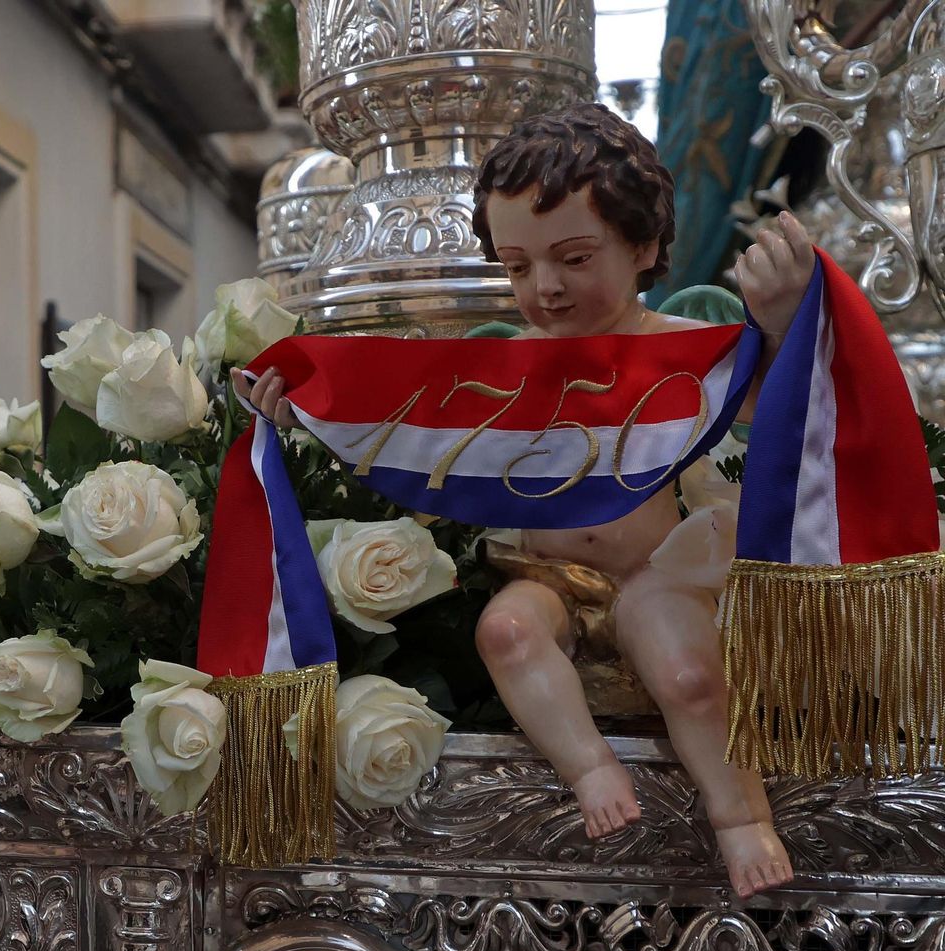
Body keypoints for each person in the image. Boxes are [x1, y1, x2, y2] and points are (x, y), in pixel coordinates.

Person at [238, 103, 811, 898]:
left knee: (687, 675)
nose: (545, 286)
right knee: (505, 631)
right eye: (516, 265)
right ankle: (589, 767)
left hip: (655, 571)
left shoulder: (680, 345)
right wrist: (301, 403)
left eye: (575, 257)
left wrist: (781, 323)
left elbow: (778, 408)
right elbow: (405, 426)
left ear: (643, 246)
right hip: (542, 573)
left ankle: (739, 813)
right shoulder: (499, 363)